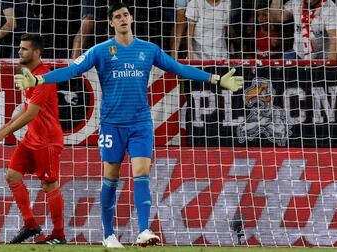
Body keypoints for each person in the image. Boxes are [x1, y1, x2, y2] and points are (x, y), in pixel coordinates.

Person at [14, 3, 243, 248]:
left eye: (125, 15)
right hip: (112, 125)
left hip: (140, 123)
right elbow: (71, 70)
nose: (123, 19)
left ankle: (144, 230)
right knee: (110, 178)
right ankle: (108, 234)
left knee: (141, 173)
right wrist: (38, 78)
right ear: (111, 23)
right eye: (117, 17)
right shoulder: (100, 51)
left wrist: (216, 78)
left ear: (131, 18)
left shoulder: (148, 49)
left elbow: (179, 68)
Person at [0, 34, 66, 245]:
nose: (19, 52)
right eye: (20, 48)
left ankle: (59, 234)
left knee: (49, 185)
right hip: (32, 137)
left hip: (47, 139)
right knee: (12, 175)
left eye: (24, 49)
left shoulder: (44, 77)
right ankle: (30, 224)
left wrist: (5, 133)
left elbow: (32, 114)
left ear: (37, 52)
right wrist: (4, 127)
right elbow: (24, 108)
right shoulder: (27, 74)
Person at [270, 0, 337, 60]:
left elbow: (335, 39)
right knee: (278, 71)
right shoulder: (297, 2)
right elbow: (276, 18)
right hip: (298, 53)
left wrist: (329, 64)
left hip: (322, 57)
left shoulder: (330, 8)